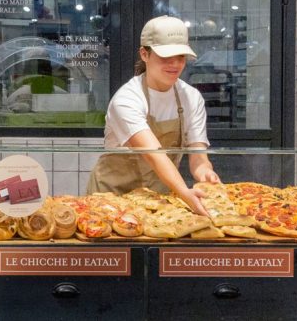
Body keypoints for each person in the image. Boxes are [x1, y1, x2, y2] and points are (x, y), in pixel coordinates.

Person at [87, 15, 219, 216]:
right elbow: (153, 154)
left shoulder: (191, 98)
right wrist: (184, 192)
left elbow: (197, 156)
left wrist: (205, 173)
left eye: (181, 57)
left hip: (159, 202)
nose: (175, 64)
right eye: (166, 57)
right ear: (144, 54)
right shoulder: (127, 99)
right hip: (112, 200)